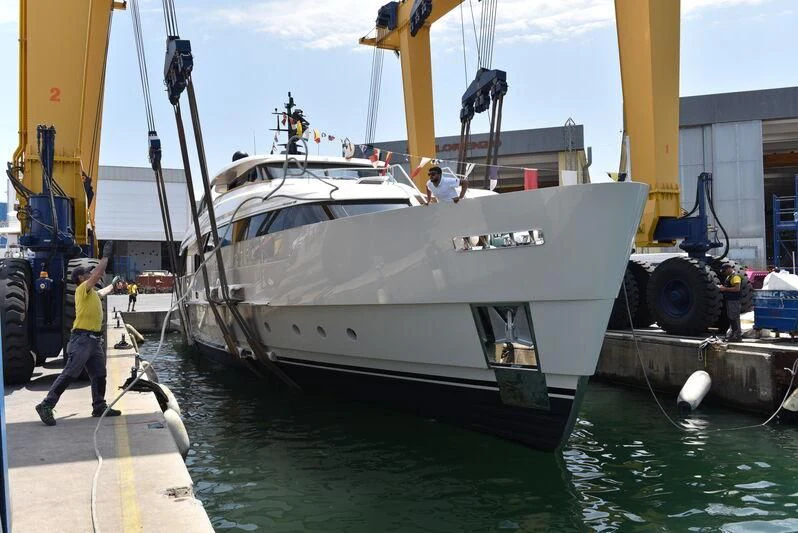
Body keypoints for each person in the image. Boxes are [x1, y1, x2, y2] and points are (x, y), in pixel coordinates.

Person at [35, 241, 118, 426]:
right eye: (88, 273)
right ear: (81, 278)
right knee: (70, 373)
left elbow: (103, 290)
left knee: (99, 374)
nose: (91, 274)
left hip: (94, 342)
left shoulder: (93, 294)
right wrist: (105, 258)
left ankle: (99, 406)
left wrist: (113, 285)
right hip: (81, 340)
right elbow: (97, 275)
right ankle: (46, 405)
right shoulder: (82, 290)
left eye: (90, 272)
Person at [718, 263, 742, 342]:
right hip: (729, 300)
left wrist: (724, 289)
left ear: (729, 269)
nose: (724, 273)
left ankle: (737, 335)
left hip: (734, 300)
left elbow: (737, 289)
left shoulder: (736, 277)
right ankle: (733, 333)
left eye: (725, 271)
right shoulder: (729, 277)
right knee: (731, 317)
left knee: (734, 317)